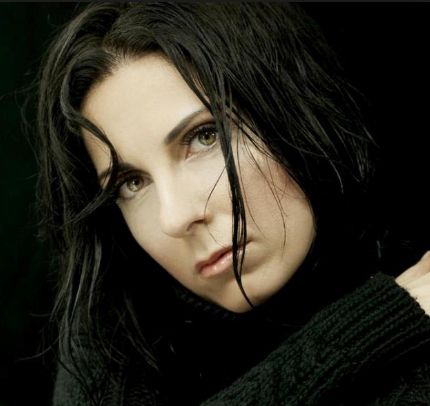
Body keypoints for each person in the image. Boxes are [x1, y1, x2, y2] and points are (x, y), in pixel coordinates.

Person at [34, 2, 430, 405]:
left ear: (297, 110)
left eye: (205, 137)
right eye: (131, 183)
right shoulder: (115, 333)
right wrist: (368, 326)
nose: (175, 218)